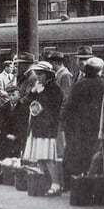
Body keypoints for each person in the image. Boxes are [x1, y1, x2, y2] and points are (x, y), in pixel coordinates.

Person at [61, 57, 104, 185]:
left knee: (79, 154)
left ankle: (77, 183)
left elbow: (69, 106)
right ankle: (94, 184)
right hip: (99, 126)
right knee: (95, 155)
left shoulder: (78, 85)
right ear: (100, 70)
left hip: (80, 127)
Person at [21, 61, 65, 196]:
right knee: (40, 157)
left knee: (48, 157)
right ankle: (45, 183)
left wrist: (40, 93)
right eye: (37, 74)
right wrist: (34, 92)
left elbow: (53, 107)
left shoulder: (54, 88)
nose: (38, 77)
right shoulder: (40, 87)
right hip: (37, 126)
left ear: (47, 75)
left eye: (40, 74)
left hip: (48, 127)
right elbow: (25, 102)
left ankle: (56, 184)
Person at [0, 86, 28, 159]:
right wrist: (7, 134)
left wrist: (16, 136)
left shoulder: (23, 108)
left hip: (18, 137)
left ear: (19, 95)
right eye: (9, 95)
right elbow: (1, 122)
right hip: (6, 135)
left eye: (13, 95)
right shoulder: (5, 107)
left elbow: (24, 125)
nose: (11, 97)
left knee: (15, 154)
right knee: (1, 151)